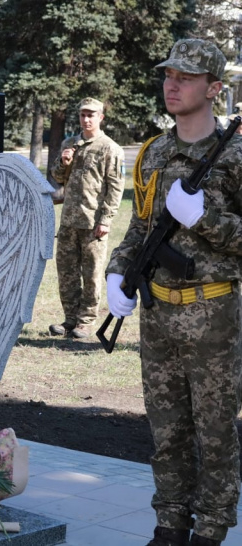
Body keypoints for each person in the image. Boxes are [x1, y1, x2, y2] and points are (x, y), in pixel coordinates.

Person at [106, 39, 242, 546]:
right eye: (169, 74)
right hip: (159, 311)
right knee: (167, 430)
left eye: (185, 77)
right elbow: (141, 228)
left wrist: (208, 220)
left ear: (214, 88)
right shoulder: (155, 152)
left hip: (215, 311)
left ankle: (209, 529)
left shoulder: (236, 154)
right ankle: (170, 525)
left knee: (215, 432)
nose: (173, 83)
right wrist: (117, 273)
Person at [49, 98, 125, 338]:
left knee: (91, 274)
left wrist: (106, 220)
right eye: (83, 115)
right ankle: (70, 319)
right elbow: (58, 177)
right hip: (69, 221)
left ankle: (86, 321)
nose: (86, 119)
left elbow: (116, 187)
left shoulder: (109, 148)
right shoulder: (70, 144)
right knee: (67, 273)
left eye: (91, 115)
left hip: (93, 222)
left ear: (101, 117)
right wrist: (64, 161)